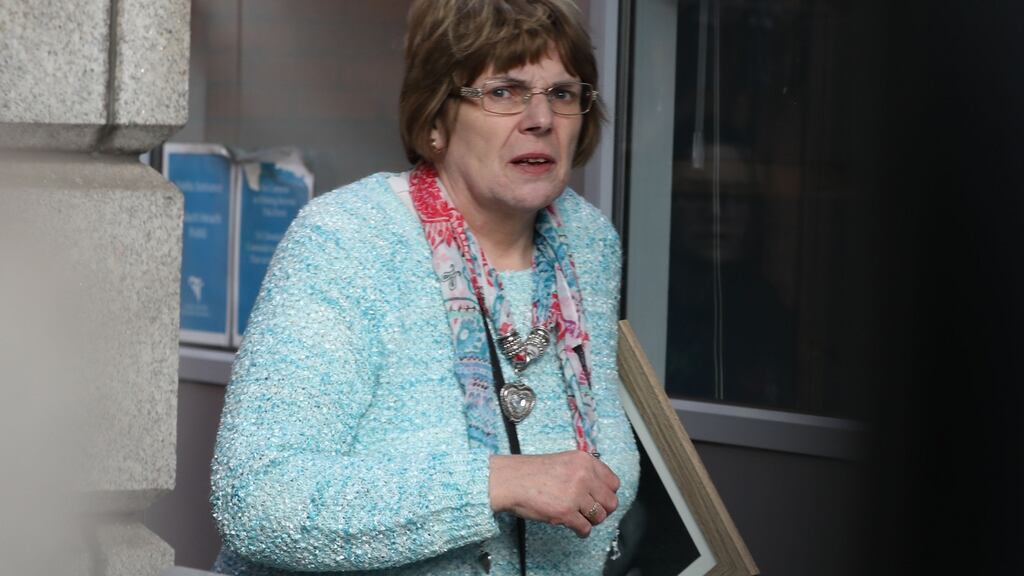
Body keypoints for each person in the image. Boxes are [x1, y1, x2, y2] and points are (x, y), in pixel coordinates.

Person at [209, 1, 640, 575]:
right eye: (504, 92)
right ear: (435, 119)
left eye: (562, 93)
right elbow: (258, 501)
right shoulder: (349, 240)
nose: (541, 118)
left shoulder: (587, 244)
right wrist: (496, 483)